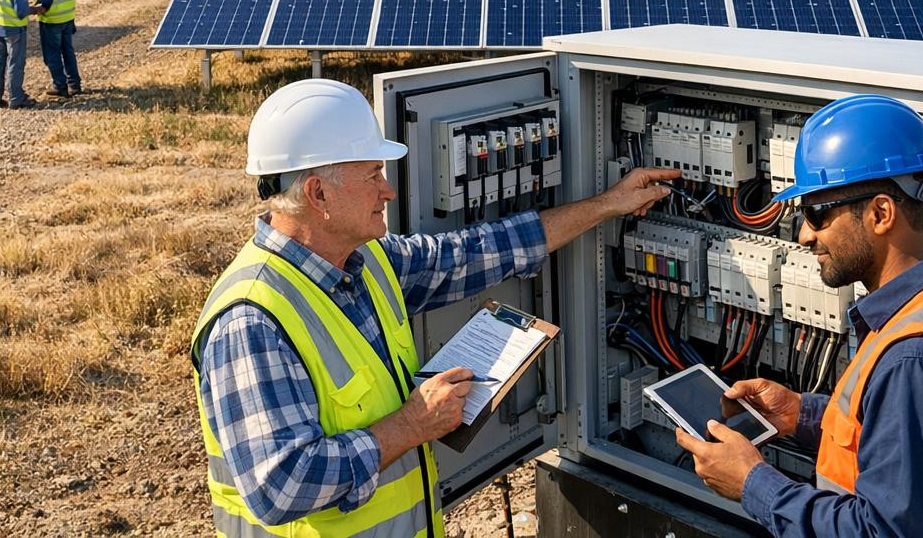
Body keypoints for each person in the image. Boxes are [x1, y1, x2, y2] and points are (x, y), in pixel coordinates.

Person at [191, 78, 681, 538]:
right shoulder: (252, 320)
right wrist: (411, 425)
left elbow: (477, 251)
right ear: (318, 193)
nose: (388, 190)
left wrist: (607, 204)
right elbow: (281, 486)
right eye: (372, 175)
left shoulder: (367, 261)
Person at [676, 94, 923, 538]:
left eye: (816, 213)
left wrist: (753, 484)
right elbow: (902, 442)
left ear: (880, 213)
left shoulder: (917, 360)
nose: (804, 236)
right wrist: (800, 414)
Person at [29, 0, 81, 98]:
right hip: (68, 20)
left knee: (52, 55)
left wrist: (28, 10)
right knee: (68, 52)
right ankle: (75, 85)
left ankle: (60, 86)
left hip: (51, 23)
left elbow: (44, 5)